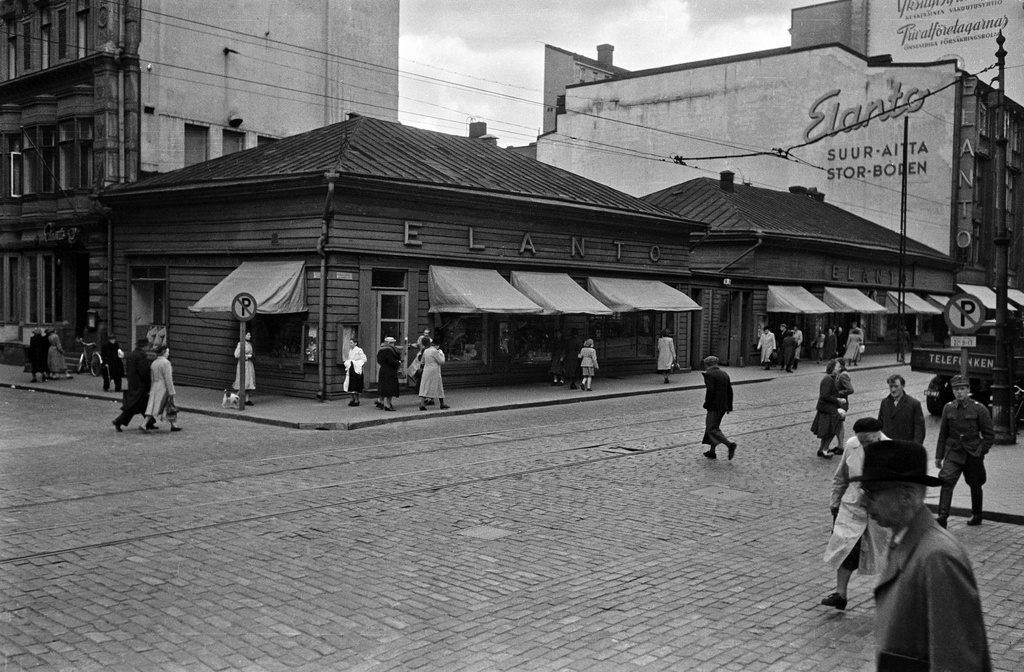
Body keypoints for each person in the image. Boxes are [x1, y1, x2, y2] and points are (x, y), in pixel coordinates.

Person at [853, 439, 991, 671]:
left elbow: (957, 663)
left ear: (907, 496)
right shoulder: (904, 538)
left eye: (871, 493)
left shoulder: (939, 557)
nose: (861, 502)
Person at [820, 418, 890, 611]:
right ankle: (840, 594)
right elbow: (841, 476)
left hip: (879, 511)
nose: (865, 445)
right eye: (862, 441)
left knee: (882, 553)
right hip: (852, 506)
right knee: (845, 548)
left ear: (879, 435)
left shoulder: (891, 449)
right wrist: (835, 501)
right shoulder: (852, 445)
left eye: (869, 441)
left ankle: (888, 596)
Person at [935, 374, 994, 528]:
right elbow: (943, 434)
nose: (959, 392)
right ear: (953, 391)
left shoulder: (979, 409)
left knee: (975, 483)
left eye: (962, 389)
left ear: (968, 390)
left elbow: (989, 435)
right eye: (956, 389)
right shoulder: (948, 408)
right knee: (946, 481)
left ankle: (977, 514)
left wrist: (980, 451)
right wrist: (939, 456)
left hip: (972, 452)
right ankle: (942, 516)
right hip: (953, 452)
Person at [701, 355, 737, 460]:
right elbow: (729, 391)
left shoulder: (709, 374)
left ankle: (730, 445)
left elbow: (710, 391)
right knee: (712, 426)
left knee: (711, 428)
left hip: (714, 406)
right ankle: (712, 452)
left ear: (707, 365)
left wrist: (707, 404)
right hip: (723, 405)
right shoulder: (724, 373)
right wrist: (729, 406)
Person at [112, 338, 152, 431]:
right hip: (140, 385)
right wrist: (149, 383)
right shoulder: (142, 355)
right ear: (145, 346)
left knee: (144, 404)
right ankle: (119, 421)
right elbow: (144, 372)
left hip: (133, 383)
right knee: (134, 405)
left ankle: (149, 422)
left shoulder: (132, 354)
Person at [811, 359, 845, 459]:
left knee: (829, 430)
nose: (840, 369)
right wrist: (837, 399)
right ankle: (825, 449)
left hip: (829, 408)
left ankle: (822, 449)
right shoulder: (828, 379)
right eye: (838, 367)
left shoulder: (831, 378)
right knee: (832, 429)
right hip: (827, 409)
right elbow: (824, 395)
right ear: (832, 368)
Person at [878, 373, 925, 444]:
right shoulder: (884, 402)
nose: (893, 390)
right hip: (888, 446)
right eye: (891, 386)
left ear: (903, 386)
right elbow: (879, 424)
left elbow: (919, 430)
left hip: (905, 446)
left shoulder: (913, 404)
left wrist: (915, 447)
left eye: (896, 386)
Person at [142, 345, 180, 432]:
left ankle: (173, 425)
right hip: (163, 387)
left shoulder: (154, 363)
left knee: (153, 406)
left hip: (155, 385)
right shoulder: (166, 363)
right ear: (164, 353)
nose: (168, 353)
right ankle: (173, 425)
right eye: (167, 352)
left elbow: (152, 377)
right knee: (170, 405)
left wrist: (151, 388)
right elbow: (168, 378)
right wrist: (171, 391)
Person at [418, 337, 450, 411]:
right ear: (437, 345)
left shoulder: (426, 350)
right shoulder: (435, 351)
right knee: (438, 387)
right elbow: (441, 361)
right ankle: (442, 404)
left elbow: (422, 361)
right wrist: (442, 354)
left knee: (424, 386)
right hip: (434, 371)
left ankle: (422, 404)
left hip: (426, 370)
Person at [375, 337, 401, 411]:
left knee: (383, 387)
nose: (393, 344)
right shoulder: (389, 350)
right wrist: (398, 362)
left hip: (382, 370)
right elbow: (391, 361)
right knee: (390, 388)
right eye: (392, 342)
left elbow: (378, 360)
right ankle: (388, 405)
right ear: (389, 343)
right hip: (390, 371)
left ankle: (380, 401)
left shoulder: (381, 350)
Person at [835, 358, 855, 452]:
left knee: (839, 424)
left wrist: (839, 393)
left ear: (841, 366)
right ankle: (840, 445)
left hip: (842, 403)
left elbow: (850, 389)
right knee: (838, 424)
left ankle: (840, 446)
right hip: (840, 402)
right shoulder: (840, 374)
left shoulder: (843, 375)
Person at [233, 332, 256, 406]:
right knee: (243, 382)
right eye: (248, 335)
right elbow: (236, 355)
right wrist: (247, 356)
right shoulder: (240, 344)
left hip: (249, 364)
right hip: (243, 364)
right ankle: (234, 398)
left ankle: (246, 400)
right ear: (244, 335)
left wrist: (251, 356)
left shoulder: (249, 344)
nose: (250, 336)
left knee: (249, 382)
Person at [343, 338, 367, 406]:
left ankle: (357, 400)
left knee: (356, 384)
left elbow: (364, 359)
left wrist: (356, 363)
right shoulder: (350, 351)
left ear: (355, 343)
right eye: (349, 343)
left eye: (351, 343)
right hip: (351, 368)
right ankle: (352, 399)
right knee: (350, 384)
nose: (350, 344)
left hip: (357, 369)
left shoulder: (359, 350)